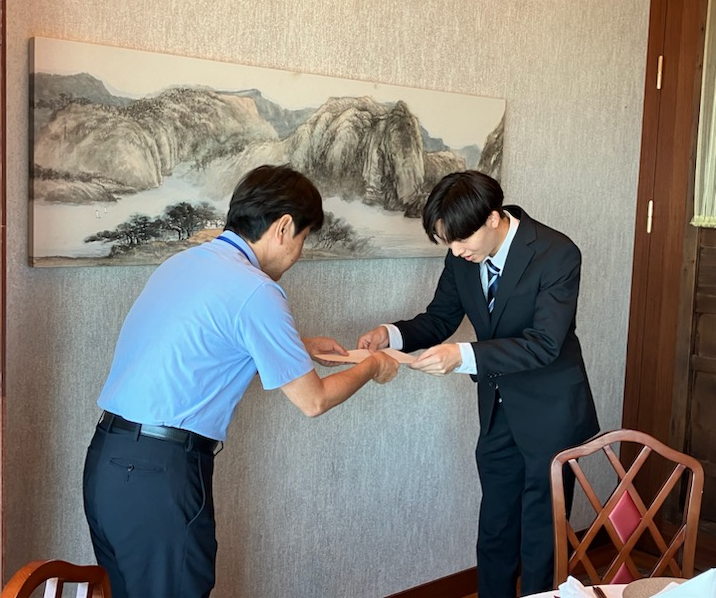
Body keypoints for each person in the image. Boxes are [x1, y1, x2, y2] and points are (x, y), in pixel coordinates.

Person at [83, 164, 399, 598]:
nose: (299, 253)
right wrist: (374, 365)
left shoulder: (185, 262)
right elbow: (314, 401)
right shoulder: (256, 289)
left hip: (108, 462)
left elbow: (200, 343)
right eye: (304, 238)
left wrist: (297, 347)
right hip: (160, 475)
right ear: (283, 227)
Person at [357, 170, 599, 598]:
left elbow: (544, 344)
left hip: (551, 414)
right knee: (495, 530)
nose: (455, 251)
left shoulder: (557, 253)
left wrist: (462, 355)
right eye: (447, 242)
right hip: (498, 410)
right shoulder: (461, 257)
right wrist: (388, 334)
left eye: (461, 239)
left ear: (492, 217)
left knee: (542, 537)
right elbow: (439, 318)